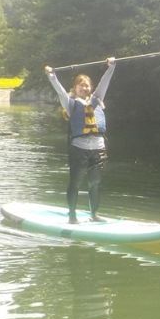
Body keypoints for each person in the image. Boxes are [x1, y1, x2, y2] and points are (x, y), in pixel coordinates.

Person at [44, 58, 116, 224]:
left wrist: (111, 66)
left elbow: (105, 83)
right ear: (75, 88)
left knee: (95, 183)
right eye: (81, 85)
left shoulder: (97, 99)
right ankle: (72, 216)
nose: (84, 88)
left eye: (87, 86)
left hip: (98, 148)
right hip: (79, 149)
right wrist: (51, 76)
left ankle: (94, 215)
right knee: (75, 183)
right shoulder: (70, 103)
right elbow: (60, 91)